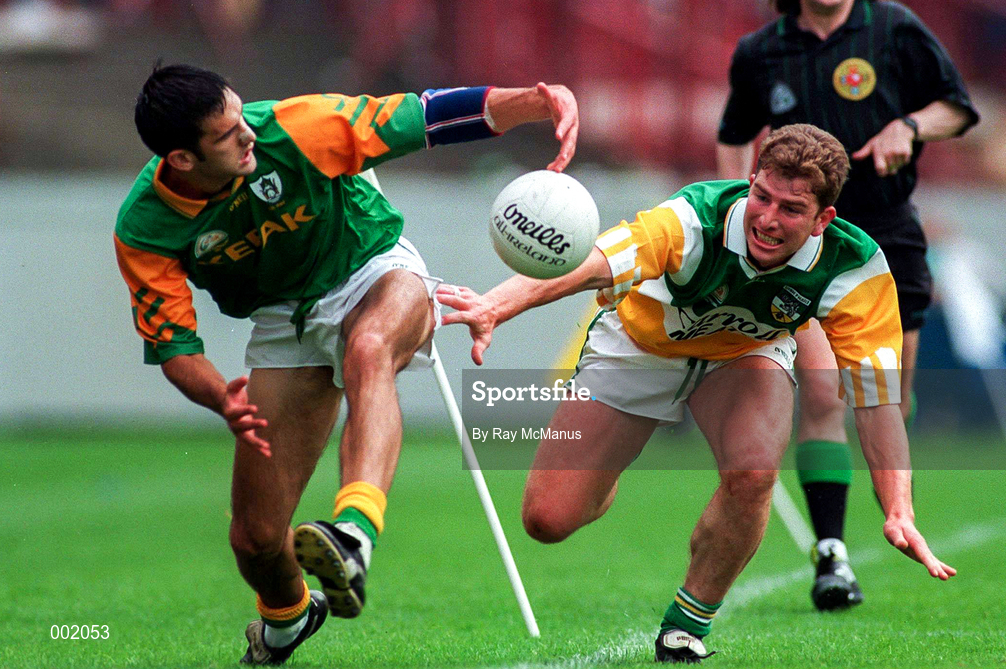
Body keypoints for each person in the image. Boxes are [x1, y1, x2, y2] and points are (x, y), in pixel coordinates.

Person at [115, 63, 578, 665]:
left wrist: (542, 102)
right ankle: (288, 620)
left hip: (372, 266)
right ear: (180, 159)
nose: (247, 133)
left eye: (241, 114)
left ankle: (354, 533)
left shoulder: (295, 128)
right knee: (256, 541)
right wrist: (220, 398)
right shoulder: (145, 227)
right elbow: (175, 347)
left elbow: (426, 115)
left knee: (369, 350)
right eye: (227, 134)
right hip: (285, 320)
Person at [440, 124, 955, 664]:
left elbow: (876, 405)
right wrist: (497, 305)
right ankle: (605, 473)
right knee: (547, 521)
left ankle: (687, 625)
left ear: (824, 219)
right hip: (641, 346)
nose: (768, 219)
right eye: (762, 196)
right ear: (751, 180)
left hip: (744, 354)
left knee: (754, 472)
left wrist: (898, 508)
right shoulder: (692, 218)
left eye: (792, 209)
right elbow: (591, 264)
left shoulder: (856, 270)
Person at [716, 0, 978, 611]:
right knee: (827, 392)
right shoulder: (762, 51)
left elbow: (958, 107)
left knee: (887, 397)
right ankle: (831, 552)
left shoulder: (893, 28)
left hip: (889, 236)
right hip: (806, 244)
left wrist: (909, 127)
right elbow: (732, 138)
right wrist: (739, 216)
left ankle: (891, 506)